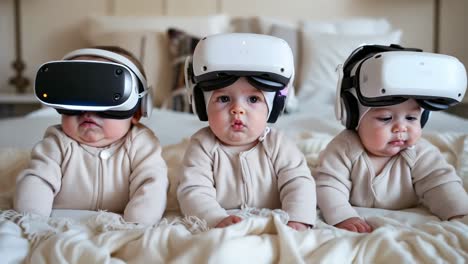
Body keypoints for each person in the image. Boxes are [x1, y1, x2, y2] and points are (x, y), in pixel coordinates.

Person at [314, 44, 468, 233]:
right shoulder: (344, 147)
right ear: (353, 117)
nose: (401, 127)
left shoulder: (418, 152)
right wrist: (343, 215)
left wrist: (459, 213)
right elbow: (328, 185)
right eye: (386, 118)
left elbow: (441, 183)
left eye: (411, 118)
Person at [13, 46, 169, 226]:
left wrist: (136, 226)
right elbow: (37, 180)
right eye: (76, 95)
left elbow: (152, 186)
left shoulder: (142, 144)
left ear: (137, 112)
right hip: (61, 223)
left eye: (107, 95)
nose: (88, 111)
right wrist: (33, 221)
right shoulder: (57, 142)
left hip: (120, 225)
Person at [176, 33, 316, 231]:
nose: (237, 110)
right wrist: (215, 218)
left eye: (253, 99)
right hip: (225, 223)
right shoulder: (202, 145)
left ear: (274, 106)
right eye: (224, 99)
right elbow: (193, 190)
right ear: (201, 104)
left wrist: (298, 218)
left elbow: (299, 183)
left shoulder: (278, 144)